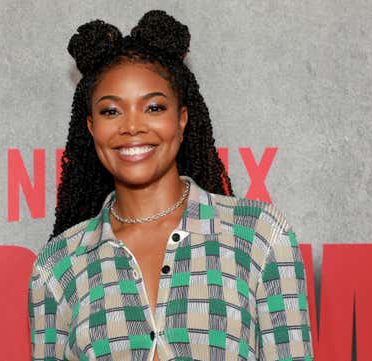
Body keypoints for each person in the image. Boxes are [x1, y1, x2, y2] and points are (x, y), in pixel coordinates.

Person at [28, 10, 313, 361]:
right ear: (90, 127)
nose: (132, 126)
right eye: (111, 112)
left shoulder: (260, 237)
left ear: (181, 120)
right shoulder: (58, 265)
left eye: (153, 107)